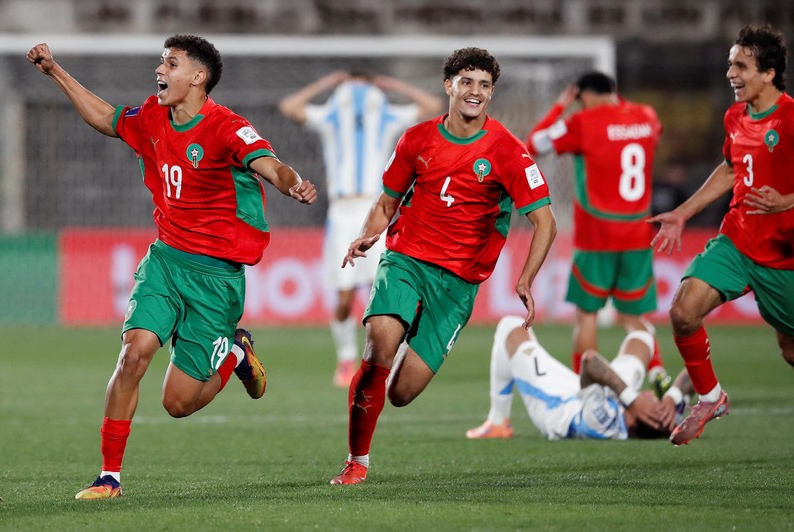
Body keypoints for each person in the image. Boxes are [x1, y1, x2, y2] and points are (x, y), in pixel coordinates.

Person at [27, 35, 317, 499]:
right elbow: (106, 118)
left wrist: (295, 183)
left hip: (216, 278)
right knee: (133, 352)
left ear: (198, 77)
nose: (160, 68)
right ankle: (109, 477)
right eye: (162, 60)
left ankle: (237, 355)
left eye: (171, 62)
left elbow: (269, 164)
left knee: (177, 403)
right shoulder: (153, 117)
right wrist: (56, 71)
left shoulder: (226, 127)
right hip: (165, 260)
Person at [329, 47, 557, 485]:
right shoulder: (416, 139)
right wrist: (369, 233)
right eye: (467, 82)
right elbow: (386, 203)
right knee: (378, 345)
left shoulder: (508, 151)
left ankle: (393, 364)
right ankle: (357, 460)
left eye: (484, 85)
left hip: (457, 285)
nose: (475, 92)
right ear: (448, 85)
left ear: (491, 93)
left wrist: (526, 280)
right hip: (406, 259)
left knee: (400, 393)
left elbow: (545, 223)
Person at [648, 23, 794, 446]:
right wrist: (682, 212)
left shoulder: (789, 117)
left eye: (741, 65)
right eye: (730, 64)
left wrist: (787, 201)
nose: (731, 73)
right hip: (737, 240)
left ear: (768, 73)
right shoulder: (735, 116)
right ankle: (710, 397)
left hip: (784, 253)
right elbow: (730, 169)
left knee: (789, 349)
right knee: (683, 311)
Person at [278, 70, 442, 388]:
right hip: (341, 212)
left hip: (375, 209)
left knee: (381, 291)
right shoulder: (330, 118)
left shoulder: (387, 117)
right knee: (343, 297)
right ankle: (345, 359)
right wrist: (327, 83)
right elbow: (289, 106)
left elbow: (432, 104)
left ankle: (385, 358)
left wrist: (392, 84)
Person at [526, 71, 667, 384]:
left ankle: (586, 387)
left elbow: (533, 143)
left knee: (587, 315)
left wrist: (563, 105)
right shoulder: (647, 117)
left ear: (583, 95)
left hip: (596, 236)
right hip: (637, 233)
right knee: (633, 317)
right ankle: (658, 375)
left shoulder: (583, 123)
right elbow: (648, 133)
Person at [466, 315, 693, 441]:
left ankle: (498, 422)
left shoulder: (601, 424)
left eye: (652, 402)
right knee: (643, 338)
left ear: (635, 419)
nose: (652, 395)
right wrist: (672, 399)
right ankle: (617, 311)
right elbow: (694, 373)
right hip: (607, 395)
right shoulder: (661, 416)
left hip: (559, 402)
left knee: (510, 326)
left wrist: (633, 399)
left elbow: (589, 360)